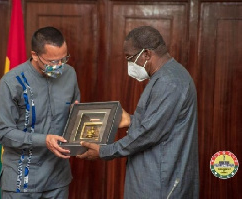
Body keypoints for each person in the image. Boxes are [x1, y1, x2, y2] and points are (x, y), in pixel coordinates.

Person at [77, 26, 199, 198]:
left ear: (147, 54)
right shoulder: (167, 75)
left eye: (130, 58)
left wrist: (104, 151)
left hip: (161, 183)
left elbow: (149, 133)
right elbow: (162, 122)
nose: (129, 64)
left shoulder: (169, 82)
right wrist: (132, 121)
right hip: (154, 177)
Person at [0, 27, 80, 198]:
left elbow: (75, 115)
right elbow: (2, 133)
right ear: (34, 55)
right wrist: (44, 140)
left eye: (64, 59)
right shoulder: (11, 82)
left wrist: (77, 117)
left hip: (57, 179)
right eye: (53, 62)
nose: (60, 66)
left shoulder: (70, 74)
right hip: (21, 180)